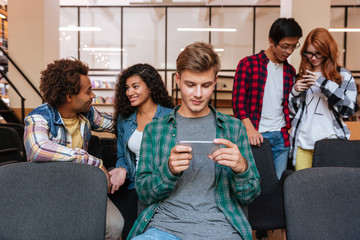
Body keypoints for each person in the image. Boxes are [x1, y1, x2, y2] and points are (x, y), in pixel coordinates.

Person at [127, 42, 260, 240]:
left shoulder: (234, 128)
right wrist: (169, 171)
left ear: (215, 82)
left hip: (221, 229)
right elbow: (144, 194)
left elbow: (249, 195)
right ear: (178, 80)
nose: (198, 94)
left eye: (206, 85)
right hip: (165, 229)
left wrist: (242, 168)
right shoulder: (155, 130)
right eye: (190, 85)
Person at [23, 59, 124, 240]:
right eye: (88, 91)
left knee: (115, 226)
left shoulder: (87, 113)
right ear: (69, 96)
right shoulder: (38, 117)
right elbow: (38, 149)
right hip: (49, 191)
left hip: (82, 185)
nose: (92, 95)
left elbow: (115, 125)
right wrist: (93, 162)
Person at [232, 18, 303, 180]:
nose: (289, 51)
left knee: (276, 185)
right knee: (256, 183)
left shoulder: (289, 71)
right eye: (285, 46)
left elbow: (289, 104)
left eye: (294, 46)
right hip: (257, 135)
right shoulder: (248, 64)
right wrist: (250, 129)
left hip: (281, 137)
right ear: (271, 41)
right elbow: (238, 102)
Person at [109, 63, 174, 238]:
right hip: (133, 185)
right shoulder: (125, 119)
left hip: (161, 187)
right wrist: (122, 168)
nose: (130, 92)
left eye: (135, 86)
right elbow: (123, 156)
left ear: (150, 87)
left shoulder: (171, 116)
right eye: (127, 88)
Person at [289, 28, 358, 170]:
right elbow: (292, 114)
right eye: (309, 53)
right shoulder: (302, 76)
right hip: (303, 143)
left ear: (328, 51)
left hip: (331, 143)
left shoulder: (342, 75)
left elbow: (348, 110)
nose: (313, 57)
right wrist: (294, 92)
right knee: (303, 188)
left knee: (328, 189)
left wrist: (324, 83)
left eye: (318, 53)